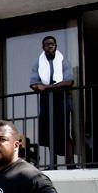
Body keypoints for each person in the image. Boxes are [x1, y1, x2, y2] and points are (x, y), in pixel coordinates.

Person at [30, 36, 75, 166]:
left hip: (62, 101)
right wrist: (42, 87)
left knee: (64, 131)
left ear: (56, 46)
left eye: (52, 44)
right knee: (49, 132)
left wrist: (46, 88)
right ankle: (52, 164)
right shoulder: (38, 63)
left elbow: (68, 82)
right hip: (46, 102)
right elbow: (34, 84)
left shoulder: (63, 61)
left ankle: (70, 163)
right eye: (47, 44)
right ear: (43, 47)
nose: (50, 46)